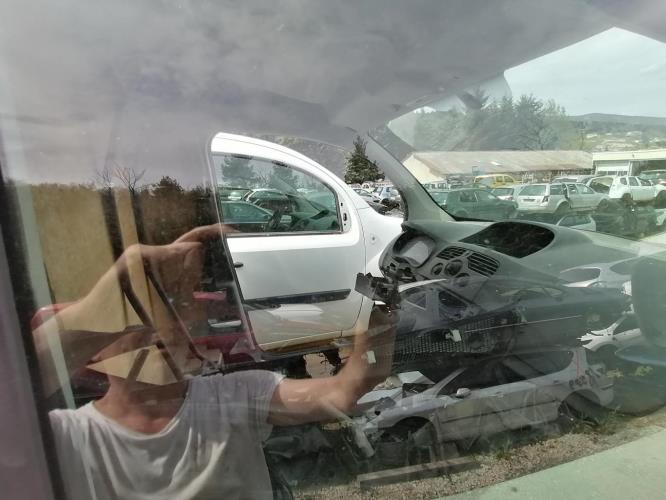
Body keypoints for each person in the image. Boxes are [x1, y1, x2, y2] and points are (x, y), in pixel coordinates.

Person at [33, 224, 396, 500]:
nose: (156, 331)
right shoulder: (66, 435)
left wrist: (378, 314)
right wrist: (108, 293)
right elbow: (16, 386)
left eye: (170, 316)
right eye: (127, 322)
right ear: (90, 349)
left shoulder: (234, 395)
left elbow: (344, 392)